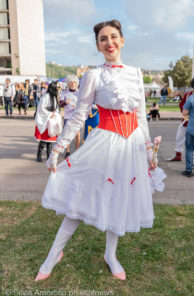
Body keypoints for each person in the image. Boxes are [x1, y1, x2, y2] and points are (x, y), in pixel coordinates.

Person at [35, 20, 166, 282]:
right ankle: (53, 255)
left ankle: (111, 254)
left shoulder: (136, 73)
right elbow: (79, 116)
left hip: (132, 147)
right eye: (103, 39)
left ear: (123, 40)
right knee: (79, 201)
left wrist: (150, 150)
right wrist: (57, 149)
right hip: (104, 144)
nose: (109, 43)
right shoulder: (93, 75)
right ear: (98, 45)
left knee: (119, 201)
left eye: (114, 37)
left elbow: (140, 115)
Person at [167, 76, 194, 162]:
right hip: (186, 120)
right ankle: (178, 155)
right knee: (179, 137)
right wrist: (185, 110)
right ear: (193, 85)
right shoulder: (188, 94)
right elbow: (182, 104)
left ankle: (193, 161)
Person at [34, 81, 61, 162]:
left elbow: (56, 108)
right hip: (45, 119)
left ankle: (49, 155)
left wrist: (54, 114)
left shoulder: (54, 96)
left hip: (51, 119)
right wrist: (49, 114)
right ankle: (39, 155)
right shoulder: (46, 96)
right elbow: (41, 108)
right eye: (57, 88)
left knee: (50, 139)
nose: (58, 89)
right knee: (43, 139)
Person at [181, 81, 194, 177]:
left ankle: (188, 170)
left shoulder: (192, 98)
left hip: (192, 128)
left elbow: (184, 112)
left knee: (189, 149)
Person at [59, 75, 80, 158]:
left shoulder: (80, 93)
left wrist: (77, 106)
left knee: (77, 135)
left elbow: (83, 103)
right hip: (67, 116)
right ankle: (67, 152)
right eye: (71, 82)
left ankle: (77, 151)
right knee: (67, 135)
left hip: (77, 117)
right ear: (68, 83)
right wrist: (65, 103)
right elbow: (60, 104)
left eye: (74, 82)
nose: (73, 84)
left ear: (77, 83)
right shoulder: (64, 92)